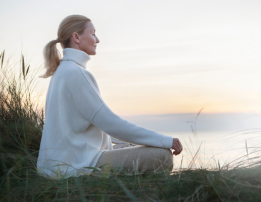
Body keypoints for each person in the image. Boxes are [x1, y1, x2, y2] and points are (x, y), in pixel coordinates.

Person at [36, 15, 183, 179]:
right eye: (93, 33)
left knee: (129, 145)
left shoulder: (62, 71)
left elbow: (91, 124)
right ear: (76, 37)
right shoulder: (75, 73)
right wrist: (165, 141)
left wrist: (132, 143)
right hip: (78, 166)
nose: (97, 39)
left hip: (63, 163)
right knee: (162, 156)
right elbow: (110, 123)